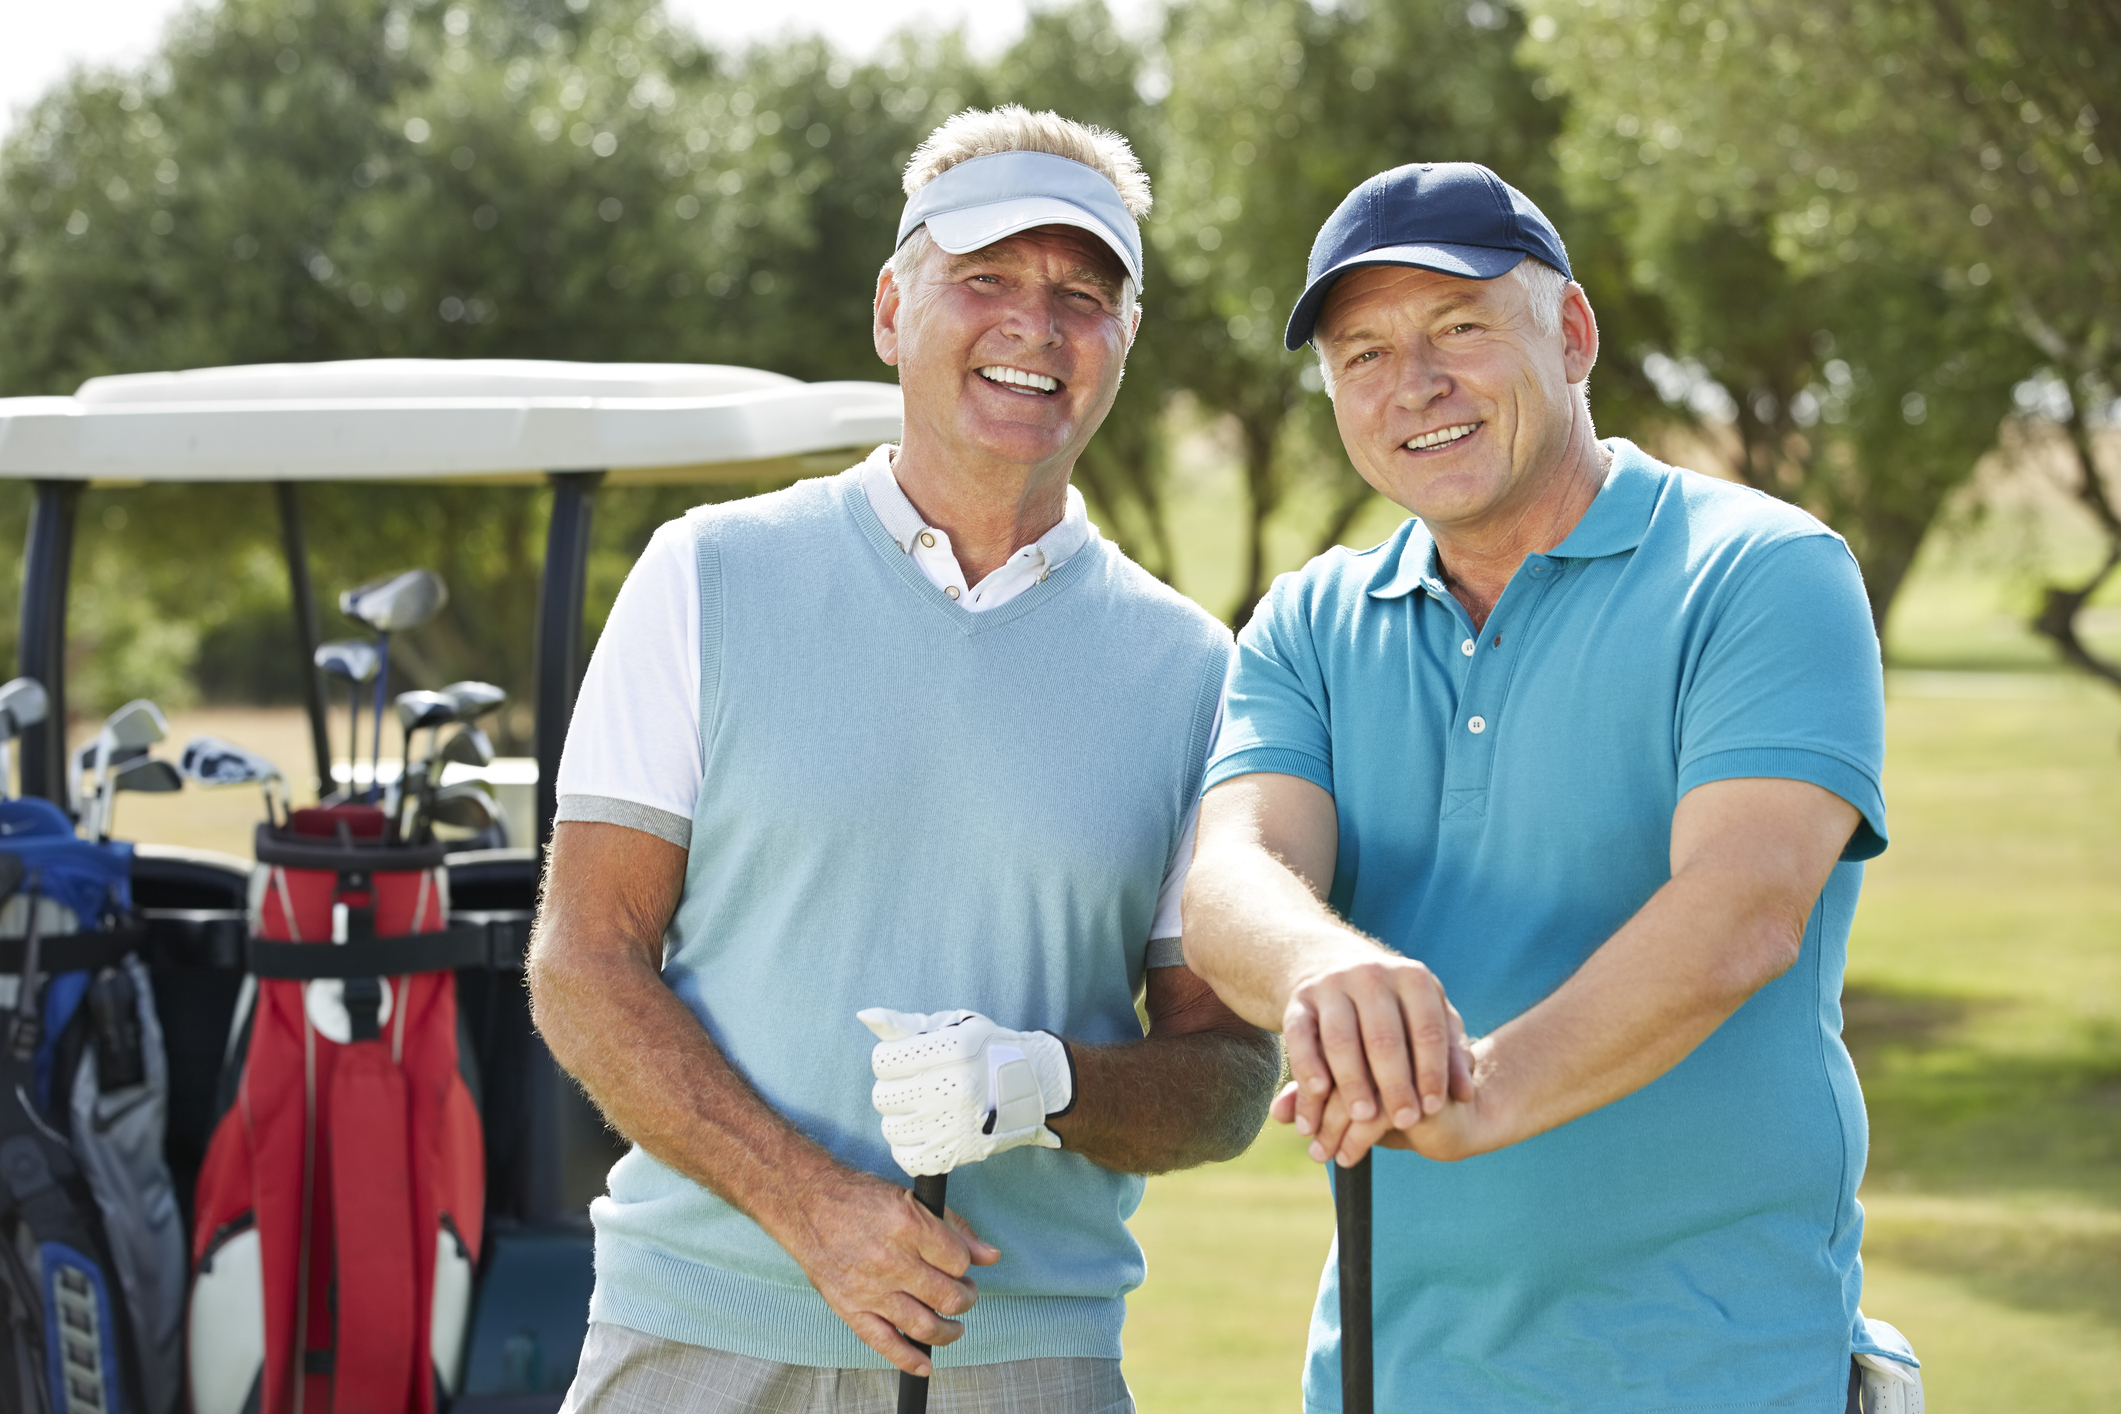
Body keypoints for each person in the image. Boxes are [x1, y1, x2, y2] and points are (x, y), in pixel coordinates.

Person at [529, 106, 1279, 1414]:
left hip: (1025, 1360)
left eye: (1081, 293)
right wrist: (814, 1208)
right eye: (984, 278)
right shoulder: (705, 575)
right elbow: (584, 963)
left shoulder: (1192, 670)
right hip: (696, 1337)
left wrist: (1046, 1082)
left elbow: (1224, 1076)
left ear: (1124, 339)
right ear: (893, 306)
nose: (1034, 327)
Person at [1180, 162, 1922, 1411]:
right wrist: (1319, 966)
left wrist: (1488, 1094)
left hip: (1720, 1372)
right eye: (1363, 352)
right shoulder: (1308, 620)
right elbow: (1232, 875)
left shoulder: (1760, 570)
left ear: (1571, 334)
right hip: (1386, 1376)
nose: (1413, 383)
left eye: (1460, 328)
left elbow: (1746, 909)